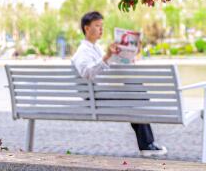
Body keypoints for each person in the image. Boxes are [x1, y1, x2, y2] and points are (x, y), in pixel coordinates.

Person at [71, 10, 168, 158]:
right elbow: (88, 73)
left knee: (137, 91)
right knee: (137, 97)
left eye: (102, 26)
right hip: (96, 97)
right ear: (87, 28)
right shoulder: (82, 51)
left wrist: (128, 55)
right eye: (97, 26)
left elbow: (106, 68)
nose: (101, 29)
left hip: (102, 93)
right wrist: (107, 56)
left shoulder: (95, 48)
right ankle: (147, 144)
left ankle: (147, 143)